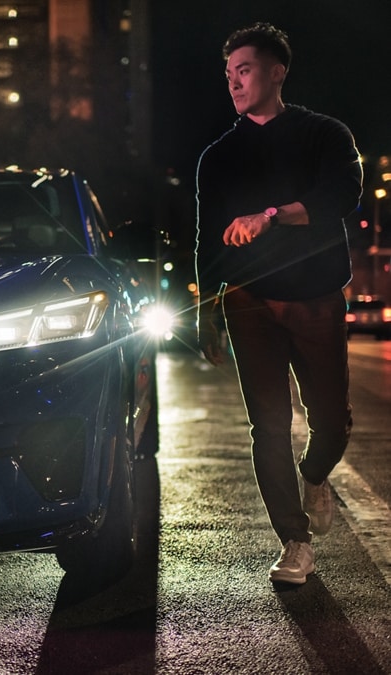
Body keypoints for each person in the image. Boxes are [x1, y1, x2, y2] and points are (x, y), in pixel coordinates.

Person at [195, 23, 362, 585]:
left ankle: (315, 475)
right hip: (249, 302)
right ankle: (294, 541)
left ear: (276, 72)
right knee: (268, 426)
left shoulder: (325, 134)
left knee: (331, 422)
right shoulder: (218, 156)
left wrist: (269, 216)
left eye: (244, 70)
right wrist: (207, 312)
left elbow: (342, 196)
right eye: (228, 74)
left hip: (315, 298)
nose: (234, 83)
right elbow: (206, 239)